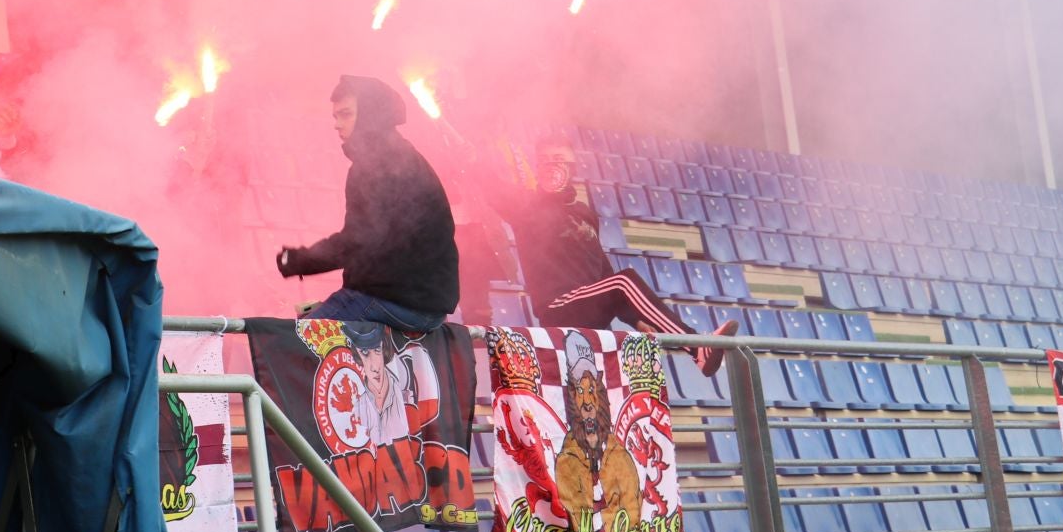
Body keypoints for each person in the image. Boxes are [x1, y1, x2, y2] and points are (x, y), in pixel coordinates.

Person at [475, 135, 737, 376]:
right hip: (558, 308)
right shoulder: (526, 207)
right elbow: (488, 185)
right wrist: (475, 153)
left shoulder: (584, 212)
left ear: (573, 168)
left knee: (597, 391)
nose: (551, 167)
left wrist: (635, 318)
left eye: (558, 160)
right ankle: (697, 349)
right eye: (544, 161)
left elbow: (602, 270)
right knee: (624, 281)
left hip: (589, 307)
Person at [274, 75, 460, 331]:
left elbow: (359, 240)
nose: (337, 125)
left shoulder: (374, 164)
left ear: (371, 115)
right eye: (335, 117)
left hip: (399, 300)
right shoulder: (403, 155)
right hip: (429, 306)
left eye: (346, 114)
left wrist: (296, 260)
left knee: (296, 344)